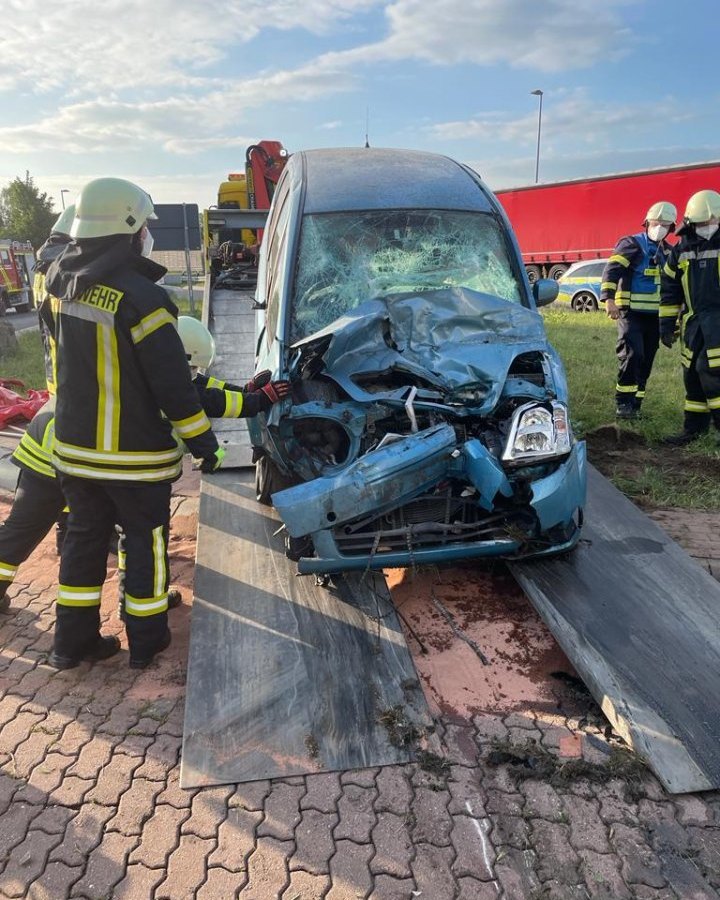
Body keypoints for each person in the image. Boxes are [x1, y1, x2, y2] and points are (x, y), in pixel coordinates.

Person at [43, 177, 225, 671]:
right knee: (144, 544)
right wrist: (205, 446)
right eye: (144, 224)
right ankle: (147, 641)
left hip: (74, 455)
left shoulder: (61, 284)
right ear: (128, 229)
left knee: (82, 543)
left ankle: (71, 643)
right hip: (134, 460)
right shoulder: (144, 300)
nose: (147, 233)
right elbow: (174, 390)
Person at [601, 201, 677, 419]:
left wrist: (673, 321)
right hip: (631, 314)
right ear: (647, 222)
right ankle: (623, 403)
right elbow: (612, 270)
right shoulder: (631, 244)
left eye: (665, 224)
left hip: (656, 318)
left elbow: (673, 287)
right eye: (656, 223)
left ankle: (636, 404)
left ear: (671, 228)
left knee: (647, 360)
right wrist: (608, 299)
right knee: (633, 355)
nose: (659, 227)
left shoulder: (669, 252)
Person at [659, 189, 720, 445]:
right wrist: (666, 323)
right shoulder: (683, 247)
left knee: (711, 371)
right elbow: (670, 285)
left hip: (718, 320)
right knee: (692, 374)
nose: (704, 227)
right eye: (699, 223)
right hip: (694, 323)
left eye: (708, 222)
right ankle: (694, 429)